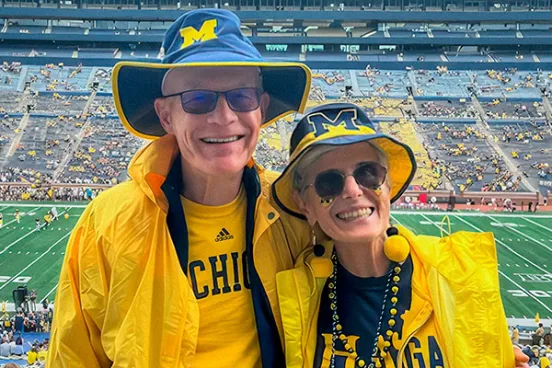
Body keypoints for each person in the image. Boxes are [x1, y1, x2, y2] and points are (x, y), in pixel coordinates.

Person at [48, 9, 312, 368]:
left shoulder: (291, 211)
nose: (224, 117)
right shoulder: (107, 223)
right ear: (166, 115)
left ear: (261, 109)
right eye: (198, 100)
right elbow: (72, 356)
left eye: (242, 97)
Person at [272, 103, 529, 368]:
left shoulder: (458, 273)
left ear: (389, 183)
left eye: (368, 173)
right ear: (304, 204)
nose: (352, 191)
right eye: (329, 183)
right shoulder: (296, 297)